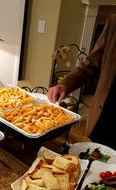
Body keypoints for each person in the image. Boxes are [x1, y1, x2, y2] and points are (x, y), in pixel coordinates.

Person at [47, 14, 116, 150]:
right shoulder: (114, 21)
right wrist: (65, 85)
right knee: (94, 158)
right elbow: (90, 63)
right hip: (105, 113)